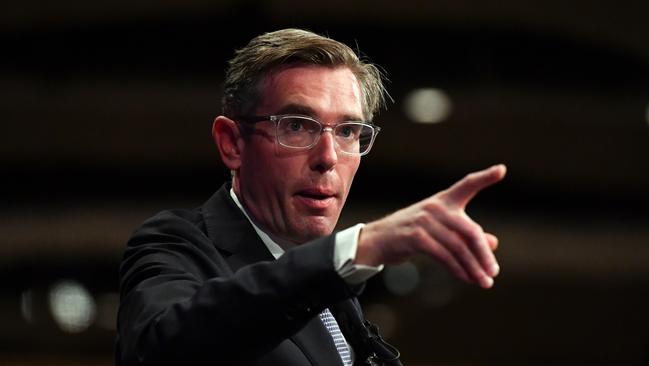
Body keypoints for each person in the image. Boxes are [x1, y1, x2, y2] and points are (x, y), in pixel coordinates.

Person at [116, 28, 507, 366]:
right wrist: (359, 247)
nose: (328, 157)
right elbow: (162, 351)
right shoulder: (176, 244)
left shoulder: (335, 295)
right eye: (298, 126)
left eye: (348, 131)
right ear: (232, 142)